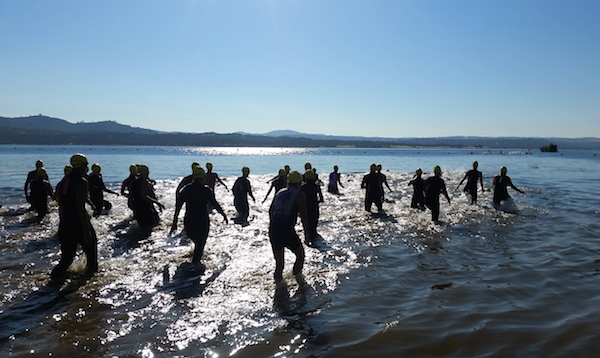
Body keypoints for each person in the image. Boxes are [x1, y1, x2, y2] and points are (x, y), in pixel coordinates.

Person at [51, 154, 98, 280]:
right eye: (86, 165)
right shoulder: (82, 182)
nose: (87, 168)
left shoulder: (64, 181)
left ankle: (51, 284)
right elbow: (80, 207)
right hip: (79, 223)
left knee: (66, 260)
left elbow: (60, 204)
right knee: (92, 259)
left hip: (65, 223)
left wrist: (63, 222)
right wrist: (86, 230)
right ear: (82, 166)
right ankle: (90, 289)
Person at [170, 166, 228, 264]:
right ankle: (195, 268)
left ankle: (191, 267)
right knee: (200, 245)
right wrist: (223, 215)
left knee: (195, 241)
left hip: (189, 220)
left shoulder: (186, 190)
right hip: (202, 221)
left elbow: (178, 208)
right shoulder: (206, 190)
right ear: (203, 177)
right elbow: (215, 204)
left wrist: (174, 222)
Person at [268, 171, 310, 283]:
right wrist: (307, 234)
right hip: (286, 229)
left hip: (274, 228)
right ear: (299, 183)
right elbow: (304, 216)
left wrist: (274, 225)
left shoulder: (280, 192)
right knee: (300, 255)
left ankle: (279, 288)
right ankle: (298, 280)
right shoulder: (299, 195)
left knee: (279, 264)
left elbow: (271, 211)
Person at [130, 164, 165, 229]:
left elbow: (131, 196)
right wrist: (157, 203)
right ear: (147, 172)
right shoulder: (144, 182)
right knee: (153, 225)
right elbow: (144, 196)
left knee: (143, 227)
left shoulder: (133, 182)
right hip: (145, 207)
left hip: (136, 207)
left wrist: (132, 205)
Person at [301, 169, 323, 244]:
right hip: (314, 206)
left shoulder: (303, 187)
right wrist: (318, 201)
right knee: (314, 223)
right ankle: (314, 236)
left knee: (307, 223)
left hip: (306, 207)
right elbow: (321, 197)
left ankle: (307, 236)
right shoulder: (316, 186)